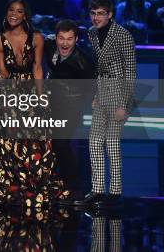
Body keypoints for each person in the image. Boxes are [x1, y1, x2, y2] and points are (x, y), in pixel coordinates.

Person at [0, 0, 69, 207]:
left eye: (19, 11)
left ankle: (32, 184)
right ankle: (11, 184)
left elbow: (38, 69)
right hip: (8, 91)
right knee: (7, 140)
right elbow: (4, 73)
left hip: (30, 89)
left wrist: (41, 99)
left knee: (33, 140)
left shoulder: (37, 38)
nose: (14, 14)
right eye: (11, 10)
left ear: (25, 15)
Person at [75, 0, 136, 208]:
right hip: (101, 92)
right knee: (93, 142)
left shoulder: (123, 36)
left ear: (110, 14)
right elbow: (97, 67)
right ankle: (98, 189)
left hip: (119, 92)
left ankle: (115, 191)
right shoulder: (91, 33)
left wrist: (124, 105)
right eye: (93, 13)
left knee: (111, 143)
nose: (96, 17)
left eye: (101, 13)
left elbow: (130, 72)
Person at [43, 19, 95, 202]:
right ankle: (55, 183)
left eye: (69, 39)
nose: (65, 43)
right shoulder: (48, 44)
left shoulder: (83, 61)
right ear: (55, 38)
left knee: (61, 143)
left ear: (76, 39)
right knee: (48, 143)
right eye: (61, 38)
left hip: (72, 104)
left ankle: (75, 187)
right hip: (51, 99)